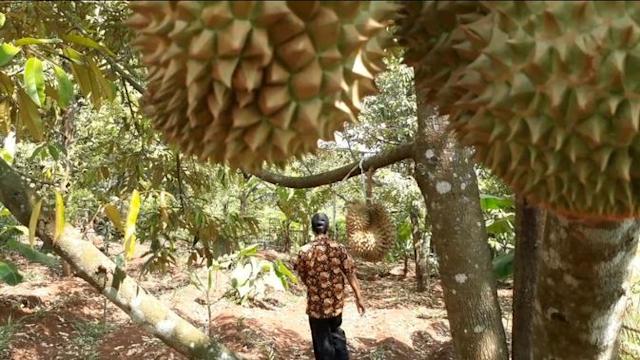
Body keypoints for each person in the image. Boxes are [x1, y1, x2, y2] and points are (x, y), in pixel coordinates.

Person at [292, 213, 365, 360]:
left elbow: (303, 276)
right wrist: (359, 298)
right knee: (337, 336)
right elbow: (350, 274)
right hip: (335, 305)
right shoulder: (339, 249)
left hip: (316, 307)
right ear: (328, 228)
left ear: (312, 228)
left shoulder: (304, 251)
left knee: (322, 343)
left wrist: (315, 287)